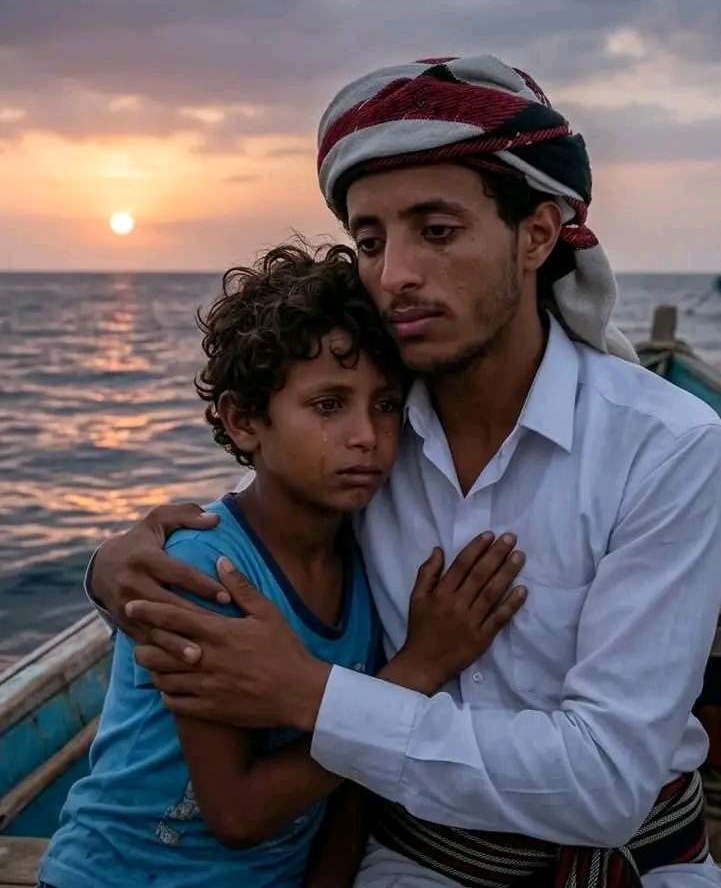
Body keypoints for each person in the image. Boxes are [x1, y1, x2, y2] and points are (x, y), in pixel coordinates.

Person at [88, 56, 721, 887]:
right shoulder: (368, 435)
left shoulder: (666, 444)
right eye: (370, 241)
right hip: (414, 859)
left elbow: (604, 785)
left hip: (635, 863)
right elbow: (253, 529)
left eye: (437, 231)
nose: (393, 277)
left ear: (536, 236)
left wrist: (310, 695)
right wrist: (110, 571)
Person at [38, 243, 527, 888]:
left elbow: (356, 789)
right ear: (244, 421)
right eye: (328, 405)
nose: (366, 435)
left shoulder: (367, 558)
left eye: (385, 405)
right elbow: (237, 812)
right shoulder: (207, 571)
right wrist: (420, 669)